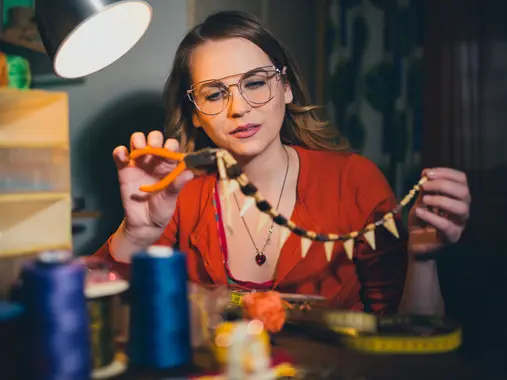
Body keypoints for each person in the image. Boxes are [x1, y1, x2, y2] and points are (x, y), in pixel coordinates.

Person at [92, 11, 471, 316]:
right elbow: (108, 316)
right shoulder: (180, 192)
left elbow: (411, 336)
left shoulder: (354, 181)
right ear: (195, 114)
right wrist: (135, 235)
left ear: (286, 87)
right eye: (214, 93)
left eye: (255, 82)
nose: (239, 108)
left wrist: (421, 259)